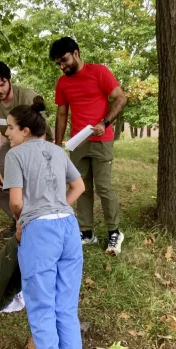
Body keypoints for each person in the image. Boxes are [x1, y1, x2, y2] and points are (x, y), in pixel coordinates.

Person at [3, 96, 87, 349]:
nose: (7, 133)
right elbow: (79, 186)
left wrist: (22, 221)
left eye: (10, 127)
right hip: (68, 228)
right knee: (66, 304)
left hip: (40, 233)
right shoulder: (58, 150)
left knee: (41, 306)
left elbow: (16, 202)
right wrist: (58, 207)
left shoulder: (15, 155)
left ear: (25, 130)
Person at [50, 37, 128, 255]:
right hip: (78, 143)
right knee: (80, 187)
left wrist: (105, 123)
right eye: (58, 64)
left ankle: (114, 232)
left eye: (64, 60)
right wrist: (57, 145)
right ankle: (87, 232)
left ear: (76, 53)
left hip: (102, 140)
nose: (62, 66)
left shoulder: (99, 72)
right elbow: (62, 114)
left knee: (103, 187)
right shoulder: (63, 83)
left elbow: (121, 98)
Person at [0, 62, 54, 240]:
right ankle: (19, 219)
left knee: (30, 180)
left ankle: (40, 219)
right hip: (12, 143)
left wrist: (35, 162)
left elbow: (41, 131)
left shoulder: (27, 96)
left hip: (37, 142)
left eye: (2, 84)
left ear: (10, 80)